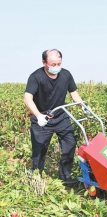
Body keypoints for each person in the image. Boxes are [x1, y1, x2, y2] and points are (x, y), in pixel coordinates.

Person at [24, 49, 85, 185]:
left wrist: (83, 105)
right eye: (53, 64)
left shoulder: (66, 75)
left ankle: (65, 176)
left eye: (59, 64)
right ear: (44, 62)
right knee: (39, 150)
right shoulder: (36, 77)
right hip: (42, 118)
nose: (56, 67)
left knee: (70, 144)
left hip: (61, 117)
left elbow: (74, 94)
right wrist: (39, 116)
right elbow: (27, 98)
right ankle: (36, 178)